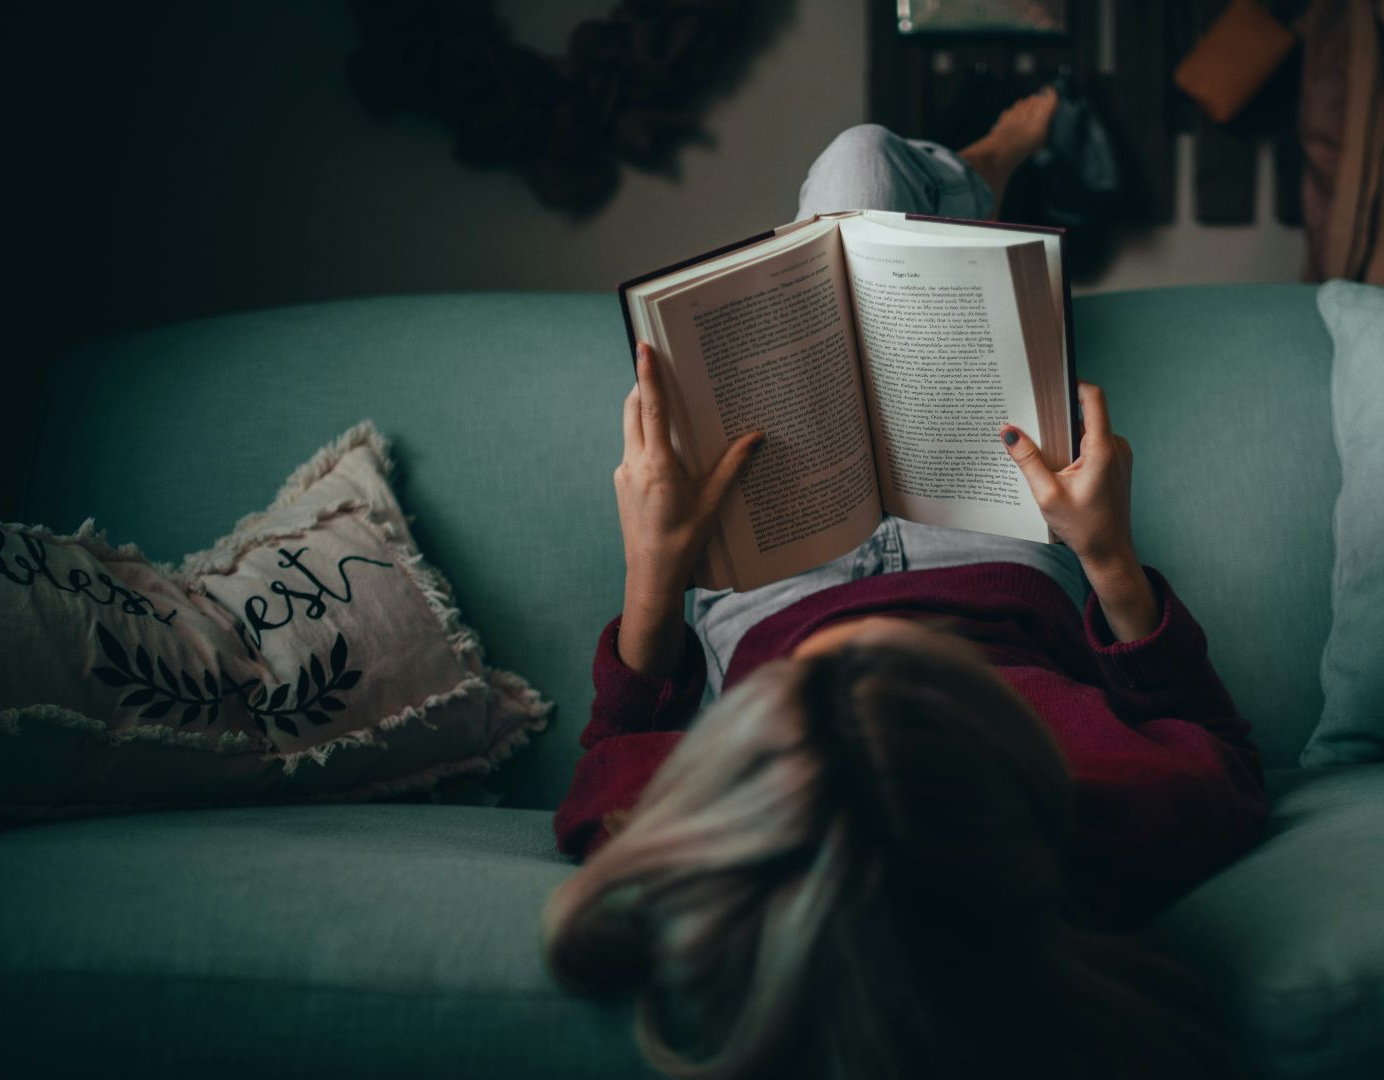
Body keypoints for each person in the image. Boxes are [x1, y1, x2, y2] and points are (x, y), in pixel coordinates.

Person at [542, 91, 1268, 1080]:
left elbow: (617, 747)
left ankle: (985, 166)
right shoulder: (1112, 815)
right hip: (985, 551)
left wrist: (656, 571)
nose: (870, 651)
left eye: (819, 699)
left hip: (771, 578)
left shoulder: (699, 854)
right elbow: (1224, 746)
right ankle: (999, 156)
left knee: (844, 197)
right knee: (871, 189)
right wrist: (1107, 556)